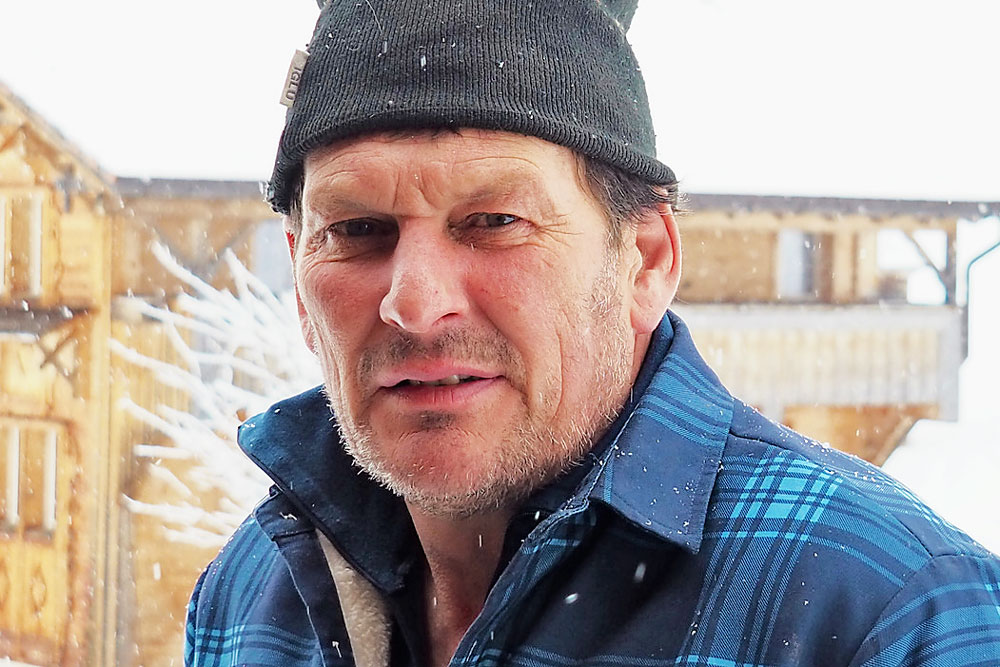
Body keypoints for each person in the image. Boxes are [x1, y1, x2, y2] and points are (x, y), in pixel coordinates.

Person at [184, 1, 1000, 665]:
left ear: (644, 259)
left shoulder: (881, 606)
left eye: (494, 220)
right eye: (359, 230)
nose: (414, 302)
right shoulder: (255, 590)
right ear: (298, 276)